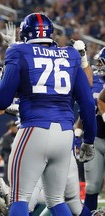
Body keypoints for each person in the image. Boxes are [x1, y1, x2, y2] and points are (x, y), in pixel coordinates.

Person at [0, 13, 96, 215]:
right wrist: (89, 140)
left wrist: (5, 78)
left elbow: (2, 101)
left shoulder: (18, 50)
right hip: (65, 134)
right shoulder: (70, 54)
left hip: (35, 128)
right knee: (57, 200)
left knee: (19, 198)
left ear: (24, 34)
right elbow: (86, 101)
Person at [85, 47, 105, 212]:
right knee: (92, 187)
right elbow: (85, 110)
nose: (99, 65)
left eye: (101, 61)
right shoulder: (94, 82)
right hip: (96, 139)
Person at [0, 120, 18, 185]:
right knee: (7, 176)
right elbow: (3, 149)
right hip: (9, 158)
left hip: (19, 158)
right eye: (12, 127)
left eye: (15, 126)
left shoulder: (20, 135)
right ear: (10, 128)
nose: (14, 128)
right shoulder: (6, 136)